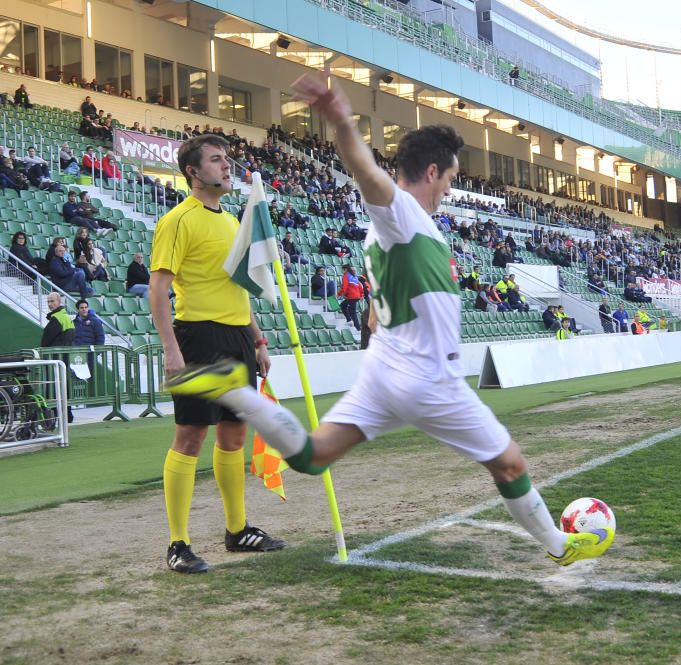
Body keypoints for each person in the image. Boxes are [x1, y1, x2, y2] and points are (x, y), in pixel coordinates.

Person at [165, 73, 612, 568]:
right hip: (428, 376)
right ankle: (558, 546)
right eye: (450, 179)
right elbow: (365, 172)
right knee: (509, 463)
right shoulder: (401, 212)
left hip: (385, 371)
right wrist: (339, 120)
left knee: (313, 456)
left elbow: (378, 318)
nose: (449, 188)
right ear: (433, 172)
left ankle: (238, 393)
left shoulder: (394, 235)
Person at [149, 134, 285, 574]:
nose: (226, 166)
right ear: (193, 172)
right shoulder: (177, 220)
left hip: (238, 338)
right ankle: (177, 543)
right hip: (198, 337)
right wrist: (171, 348)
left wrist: (259, 340)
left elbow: (241, 290)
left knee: (234, 435)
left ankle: (237, 529)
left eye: (227, 159)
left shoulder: (232, 223)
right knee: (191, 434)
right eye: (215, 160)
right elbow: (159, 289)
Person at [41, 292, 75, 422]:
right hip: (64, 358)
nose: (50, 304)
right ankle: (68, 415)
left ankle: (56, 415)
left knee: (54, 388)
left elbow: (45, 342)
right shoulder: (66, 317)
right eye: (48, 301)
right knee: (64, 386)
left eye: (52, 301)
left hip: (54, 359)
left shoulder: (56, 319)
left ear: (59, 302)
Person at [338, 263, 364, 330]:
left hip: (351, 297)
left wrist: (339, 294)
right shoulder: (354, 276)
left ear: (345, 269)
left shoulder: (346, 275)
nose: (342, 272)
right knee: (343, 306)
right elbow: (360, 287)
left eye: (343, 270)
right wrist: (361, 295)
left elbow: (344, 286)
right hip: (356, 296)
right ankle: (349, 321)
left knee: (352, 312)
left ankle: (358, 328)